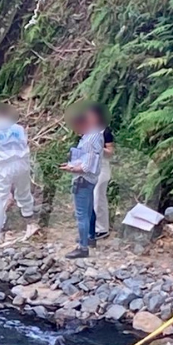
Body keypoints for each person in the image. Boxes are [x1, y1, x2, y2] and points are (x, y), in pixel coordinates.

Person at [59, 110, 104, 259]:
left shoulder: (90, 139)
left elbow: (87, 166)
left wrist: (71, 168)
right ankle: (90, 237)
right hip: (90, 179)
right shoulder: (95, 133)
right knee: (89, 210)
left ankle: (82, 247)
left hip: (83, 179)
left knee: (81, 215)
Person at [85, 104, 114, 239]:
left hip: (102, 167)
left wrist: (99, 149)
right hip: (89, 167)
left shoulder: (105, 132)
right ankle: (90, 228)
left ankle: (102, 228)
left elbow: (110, 153)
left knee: (98, 196)